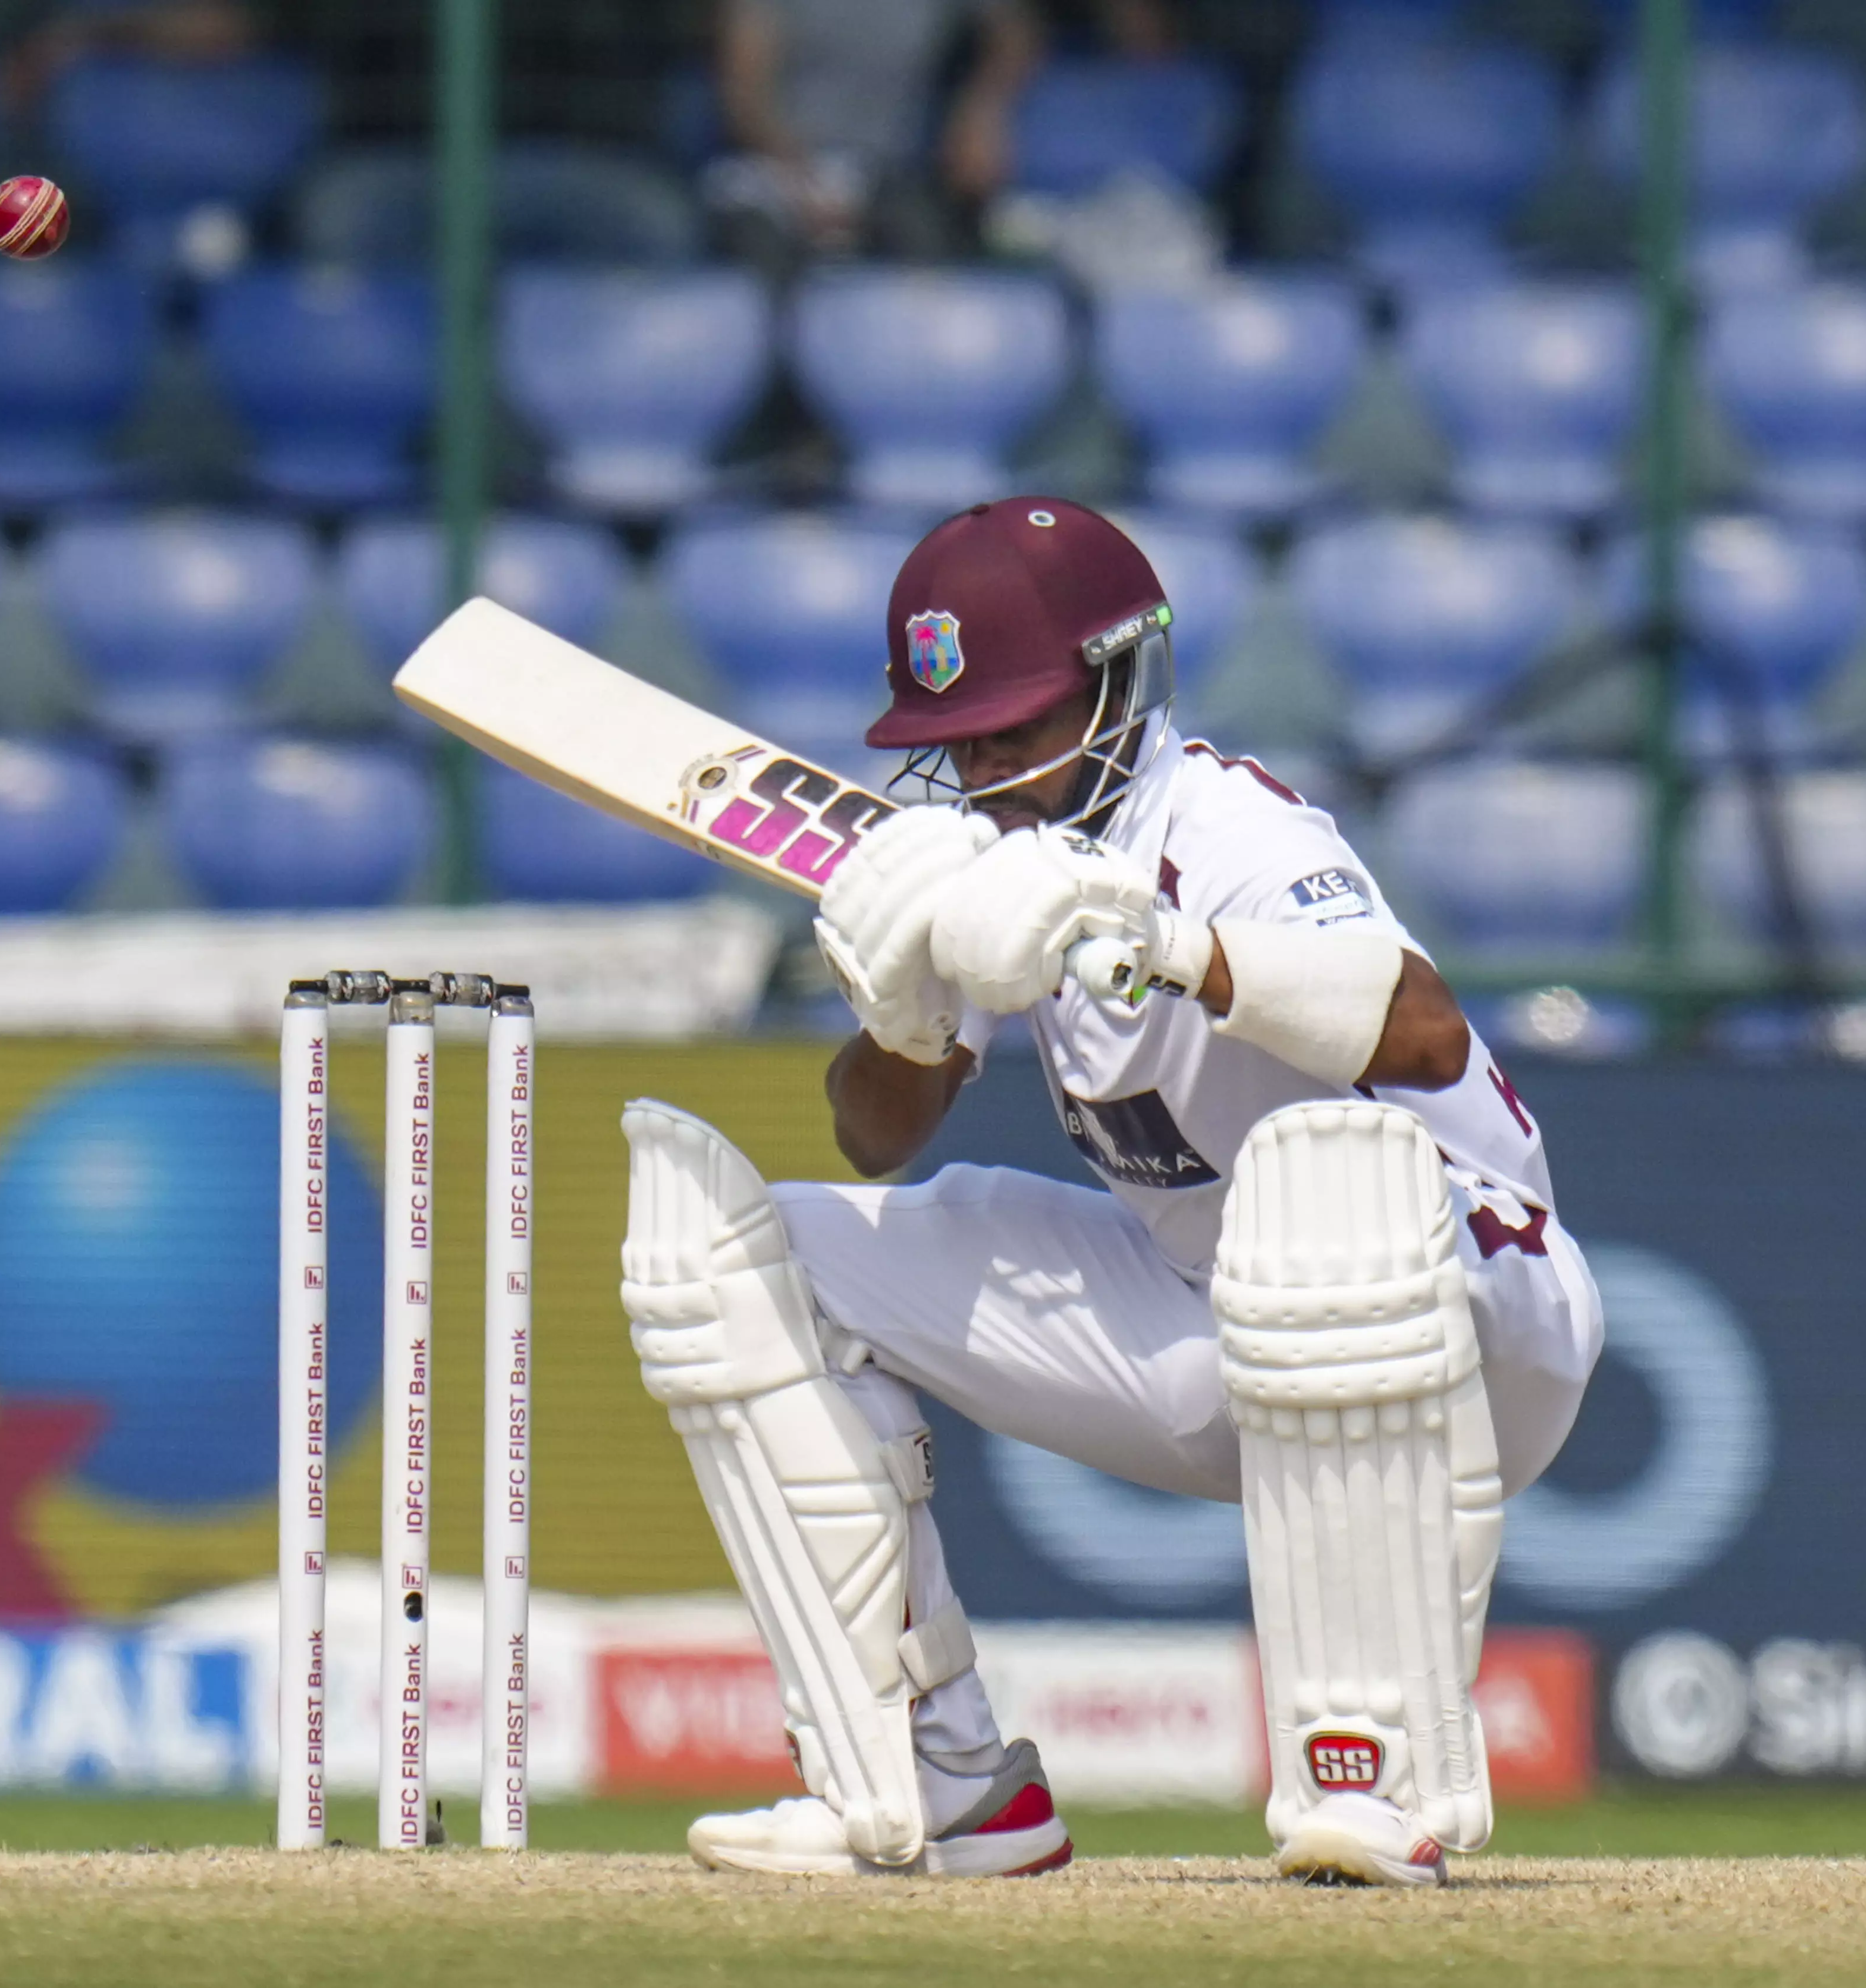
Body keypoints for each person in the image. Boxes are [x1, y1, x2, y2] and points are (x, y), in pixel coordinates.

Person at [618, 497, 1605, 1886]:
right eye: (958, 743)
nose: (986, 771)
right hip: (1207, 1328)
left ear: (1118, 684)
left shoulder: (1229, 827)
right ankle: (935, 1781)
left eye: (1015, 731)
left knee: (1304, 1208)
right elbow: (871, 1138)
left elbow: (1422, 1027)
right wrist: (900, 1014)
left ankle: (1376, 1778)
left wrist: (1167, 943)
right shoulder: (981, 859)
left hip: (1464, 1319)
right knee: (739, 1256)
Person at [705, 0, 1040, 264]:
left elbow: (1014, 31)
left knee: (924, 244)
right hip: (770, 175)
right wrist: (804, 183)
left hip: (881, 175)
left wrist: (982, 107)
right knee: (763, 263)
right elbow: (745, 95)